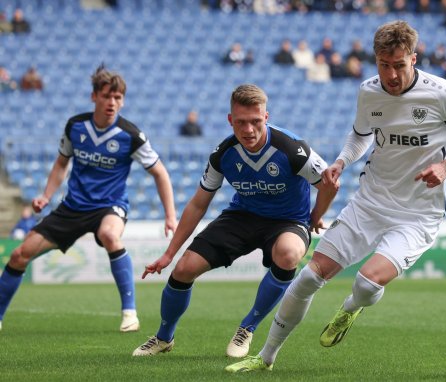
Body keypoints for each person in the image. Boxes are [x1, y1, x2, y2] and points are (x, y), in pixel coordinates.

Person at [226, 20, 446, 373]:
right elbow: (361, 136)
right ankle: (265, 358)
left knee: (366, 282)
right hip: (369, 202)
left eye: (399, 65)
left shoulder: (442, 94)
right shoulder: (369, 91)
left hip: (418, 213)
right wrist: (341, 161)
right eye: (384, 65)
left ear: (413, 59)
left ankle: (351, 309)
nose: (392, 75)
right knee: (309, 277)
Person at [132, 84, 337, 358]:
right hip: (242, 217)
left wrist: (316, 217)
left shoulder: (292, 148)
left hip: (287, 220)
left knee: (289, 254)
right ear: (231, 120)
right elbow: (198, 203)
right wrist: (170, 253)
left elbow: (329, 184)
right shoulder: (223, 154)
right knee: (183, 269)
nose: (248, 129)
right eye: (241, 122)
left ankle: (247, 328)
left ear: (266, 117)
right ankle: (163, 338)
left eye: (255, 121)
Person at [0, 65, 177, 332]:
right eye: (107, 96)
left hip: (109, 206)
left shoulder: (131, 135)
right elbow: (61, 164)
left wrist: (170, 215)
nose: (112, 102)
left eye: (118, 98)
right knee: (18, 255)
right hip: (72, 208)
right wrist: (46, 196)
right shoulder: (76, 126)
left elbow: (160, 173)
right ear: (94, 96)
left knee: (110, 235)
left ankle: (130, 313)